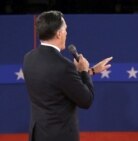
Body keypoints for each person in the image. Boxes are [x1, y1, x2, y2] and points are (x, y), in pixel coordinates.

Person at [23, 10, 112, 141]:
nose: (66, 32)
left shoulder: (28, 58)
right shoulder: (63, 66)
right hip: (59, 136)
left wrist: (91, 71)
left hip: (38, 134)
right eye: (65, 29)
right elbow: (86, 100)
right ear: (58, 34)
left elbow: (56, 83)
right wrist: (83, 71)